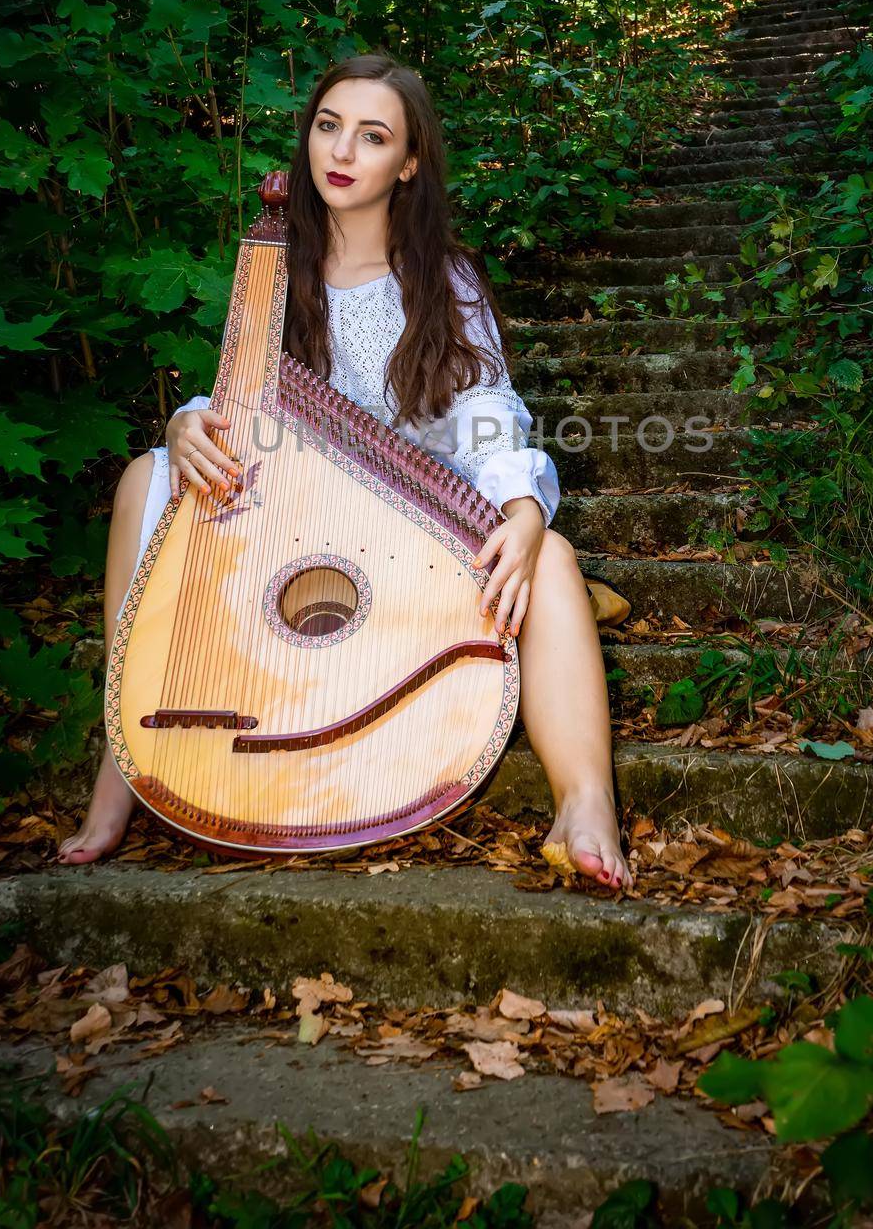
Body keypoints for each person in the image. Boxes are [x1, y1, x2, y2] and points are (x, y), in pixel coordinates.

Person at [57, 54, 633, 892]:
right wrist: (189, 423)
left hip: (413, 532)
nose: (341, 150)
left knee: (548, 559)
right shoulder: (271, 265)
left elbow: (488, 409)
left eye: (372, 136)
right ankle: (127, 757)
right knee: (147, 479)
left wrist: (520, 505)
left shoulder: (442, 277)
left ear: (406, 164)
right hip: (294, 524)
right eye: (328, 126)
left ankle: (585, 803)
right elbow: (240, 396)